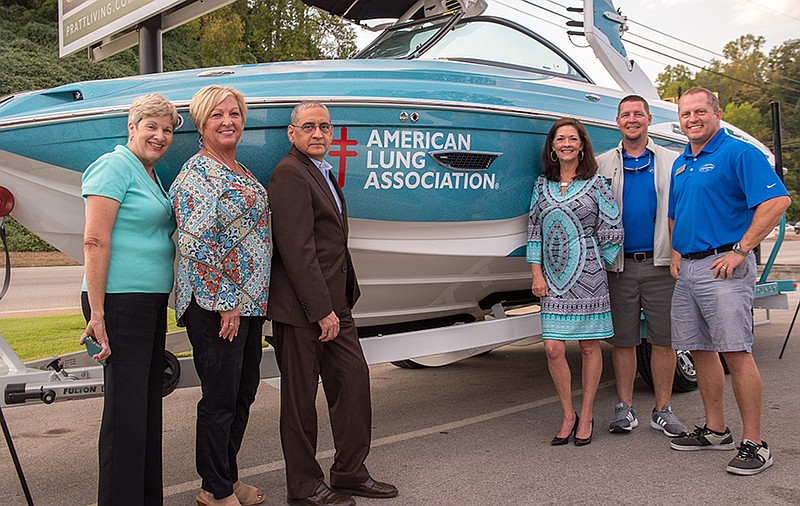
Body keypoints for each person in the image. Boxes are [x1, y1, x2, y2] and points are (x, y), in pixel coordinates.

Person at [268, 101, 398, 506]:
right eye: (309, 127)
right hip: (302, 311)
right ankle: (304, 488)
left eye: (324, 126)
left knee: (353, 384)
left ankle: (349, 472)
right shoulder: (289, 173)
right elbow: (297, 249)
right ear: (293, 134)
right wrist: (321, 310)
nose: (319, 133)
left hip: (335, 306)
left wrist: (336, 306)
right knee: (300, 403)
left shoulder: (321, 172)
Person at [667, 87, 790, 475]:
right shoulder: (682, 162)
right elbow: (675, 212)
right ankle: (716, 430)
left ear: (717, 114)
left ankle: (755, 444)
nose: (692, 119)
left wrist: (741, 250)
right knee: (700, 350)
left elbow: (776, 202)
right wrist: (675, 252)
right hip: (688, 269)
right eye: (686, 114)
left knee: (735, 353)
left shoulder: (739, 152)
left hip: (724, 268)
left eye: (700, 111)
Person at [170, 85, 271, 506]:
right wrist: (225, 299)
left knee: (243, 391)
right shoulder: (198, 174)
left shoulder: (239, 169)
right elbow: (194, 241)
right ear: (200, 122)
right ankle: (214, 489)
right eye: (217, 115)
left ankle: (224, 480)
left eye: (234, 113)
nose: (228, 121)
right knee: (220, 398)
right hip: (217, 306)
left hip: (246, 305)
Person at [81, 93, 179, 505]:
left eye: (168, 129)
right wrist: (98, 313)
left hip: (147, 302)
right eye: (151, 126)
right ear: (132, 127)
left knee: (145, 409)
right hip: (118, 303)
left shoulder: (149, 173)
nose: (159, 135)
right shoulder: (114, 166)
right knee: (125, 414)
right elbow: (95, 239)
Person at [528, 117, 623, 447]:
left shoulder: (597, 183)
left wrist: (598, 261)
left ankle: (586, 413)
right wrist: (536, 274)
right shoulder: (541, 185)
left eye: (572, 138)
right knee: (553, 347)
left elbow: (612, 226)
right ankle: (568, 414)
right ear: (552, 147)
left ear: (582, 145)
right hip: (552, 278)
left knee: (587, 346)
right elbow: (534, 231)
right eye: (560, 139)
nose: (566, 144)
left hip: (588, 274)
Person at [596, 95, 688, 438]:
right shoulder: (603, 163)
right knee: (624, 341)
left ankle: (662, 410)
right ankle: (625, 408)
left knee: (663, 341)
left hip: (660, 264)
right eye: (625, 114)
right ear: (617, 121)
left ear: (648, 119)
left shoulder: (673, 161)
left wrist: (679, 251)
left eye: (638, 114)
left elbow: (683, 210)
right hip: (618, 266)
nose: (631, 119)